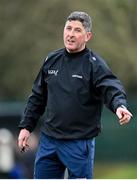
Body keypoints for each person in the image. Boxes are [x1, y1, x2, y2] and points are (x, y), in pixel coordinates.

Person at [18, 11, 132, 179]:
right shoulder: (51, 60)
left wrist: (119, 105)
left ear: (88, 36)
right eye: (68, 28)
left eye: (77, 30)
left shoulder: (94, 65)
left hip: (79, 143)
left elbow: (111, 87)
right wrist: (26, 127)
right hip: (49, 141)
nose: (70, 34)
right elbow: (37, 97)